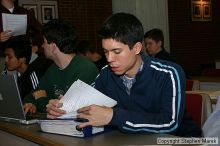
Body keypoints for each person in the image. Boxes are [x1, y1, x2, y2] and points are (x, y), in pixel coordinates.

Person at [46, 13, 201, 137]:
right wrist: (63, 106)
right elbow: (84, 102)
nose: (109, 59)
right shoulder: (106, 74)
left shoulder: (169, 73)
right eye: (106, 52)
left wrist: (114, 116)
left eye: (117, 51)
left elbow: (170, 124)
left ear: (137, 48)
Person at [23, 19, 99, 114]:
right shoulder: (52, 69)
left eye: (44, 42)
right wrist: (31, 103)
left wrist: (41, 99)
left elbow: (65, 109)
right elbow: (31, 96)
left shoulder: (86, 69)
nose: (42, 46)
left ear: (53, 47)